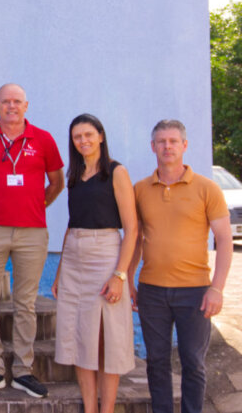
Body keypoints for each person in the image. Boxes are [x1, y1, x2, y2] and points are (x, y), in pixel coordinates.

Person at [0, 83, 64, 398]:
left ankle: (23, 370)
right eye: (5, 102)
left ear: (26, 105)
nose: (11, 106)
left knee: (26, 303)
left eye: (17, 101)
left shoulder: (43, 139)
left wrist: (37, 205)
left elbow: (57, 181)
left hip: (32, 232)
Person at [129, 119, 232, 413]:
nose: (167, 146)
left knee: (193, 363)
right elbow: (135, 239)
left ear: (184, 145)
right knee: (157, 362)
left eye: (173, 141)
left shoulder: (207, 188)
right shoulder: (140, 189)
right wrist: (129, 280)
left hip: (196, 292)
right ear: (153, 147)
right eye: (161, 142)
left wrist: (217, 288)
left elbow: (224, 240)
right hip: (152, 291)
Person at [51, 114, 136, 413]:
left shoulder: (116, 172)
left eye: (88, 134)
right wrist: (60, 271)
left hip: (105, 255)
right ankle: (89, 408)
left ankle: (107, 409)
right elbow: (71, 225)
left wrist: (120, 275)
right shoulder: (73, 177)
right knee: (78, 339)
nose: (83, 140)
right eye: (77, 137)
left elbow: (132, 228)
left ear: (100, 135)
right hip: (74, 257)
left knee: (105, 340)